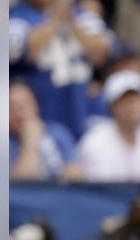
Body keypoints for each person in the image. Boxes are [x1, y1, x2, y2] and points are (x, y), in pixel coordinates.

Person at [9, 0, 113, 137]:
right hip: (43, 112)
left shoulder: (81, 13)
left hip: (81, 107)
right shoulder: (17, 16)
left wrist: (72, 23)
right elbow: (26, 51)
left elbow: (101, 54)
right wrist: (55, 19)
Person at [77, 70, 140, 182]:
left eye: (136, 100)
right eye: (125, 101)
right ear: (112, 107)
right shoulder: (94, 141)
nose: (132, 106)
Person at [10, 82, 83, 181]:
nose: (20, 111)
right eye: (13, 106)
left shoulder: (58, 132)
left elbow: (76, 176)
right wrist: (30, 143)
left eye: (25, 103)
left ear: (36, 105)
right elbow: (18, 186)